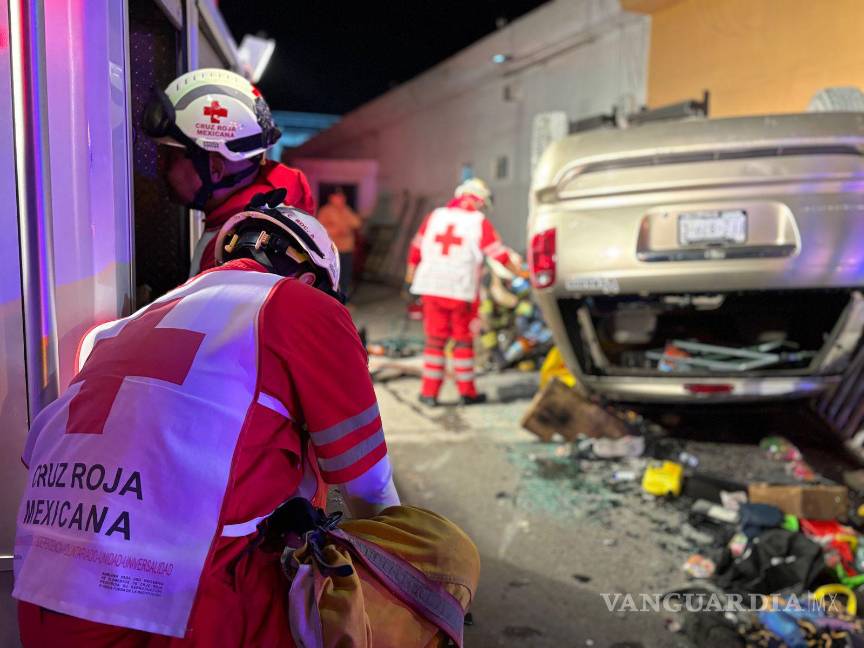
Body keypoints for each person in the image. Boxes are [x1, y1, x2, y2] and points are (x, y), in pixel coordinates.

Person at [13, 188, 399, 647]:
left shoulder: (128, 324)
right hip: (166, 610)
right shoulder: (304, 307)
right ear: (312, 281)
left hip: (40, 599)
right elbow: (368, 487)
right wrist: (404, 580)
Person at [142, 68, 315, 277]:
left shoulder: (247, 252)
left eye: (170, 157)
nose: (161, 168)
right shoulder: (244, 227)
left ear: (214, 169)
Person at [406, 178, 519, 407]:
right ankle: (467, 392)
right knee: (463, 342)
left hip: (432, 287)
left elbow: (416, 247)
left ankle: (429, 394)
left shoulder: (435, 216)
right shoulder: (478, 222)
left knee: (435, 342)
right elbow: (497, 253)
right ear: (479, 201)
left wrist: (410, 274)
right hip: (460, 290)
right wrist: (521, 272)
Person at [316, 187, 363, 296]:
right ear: (331, 198)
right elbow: (319, 228)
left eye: (342, 197)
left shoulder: (346, 210)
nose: (341, 199)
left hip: (347, 249)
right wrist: (336, 230)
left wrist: (344, 216)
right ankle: (331, 300)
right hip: (333, 250)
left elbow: (357, 223)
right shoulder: (325, 211)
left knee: (345, 277)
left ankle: (343, 300)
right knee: (332, 277)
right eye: (338, 197)